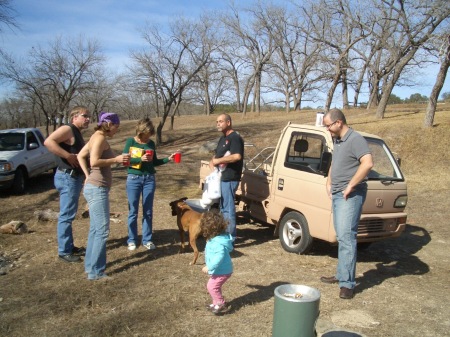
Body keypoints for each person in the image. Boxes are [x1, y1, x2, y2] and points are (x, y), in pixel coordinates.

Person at [320, 108, 374, 299]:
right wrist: (329, 180)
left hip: (350, 195)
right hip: (337, 192)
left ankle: (347, 284)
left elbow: (367, 163)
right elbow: (336, 161)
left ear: (339, 123)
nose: (327, 129)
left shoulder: (355, 139)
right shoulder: (338, 140)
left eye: (328, 125)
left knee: (347, 237)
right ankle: (342, 274)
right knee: (341, 236)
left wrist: (351, 185)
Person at [77, 112, 128, 281]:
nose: (116, 131)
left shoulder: (96, 136)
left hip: (95, 186)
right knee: (102, 231)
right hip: (97, 188)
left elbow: (80, 156)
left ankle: (90, 267)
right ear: (109, 124)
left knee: (95, 229)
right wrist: (116, 159)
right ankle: (96, 272)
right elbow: (94, 161)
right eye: (116, 127)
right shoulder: (99, 138)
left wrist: (86, 176)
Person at [44, 106, 91, 263]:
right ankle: (64, 251)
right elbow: (48, 142)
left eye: (89, 116)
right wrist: (67, 156)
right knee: (66, 215)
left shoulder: (76, 132)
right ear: (74, 117)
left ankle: (69, 246)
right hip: (67, 177)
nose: (88, 119)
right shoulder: (67, 128)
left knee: (69, 214)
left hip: (73, 178)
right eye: (84, 116)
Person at [122, 118, 175, 251]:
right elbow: (124, 161)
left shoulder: (151, 143)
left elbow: (155, 162)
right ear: (141, 131)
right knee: (133, 211)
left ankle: (147, 239)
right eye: (148, 133)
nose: (149, 136)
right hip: (134, 178)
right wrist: (139, 158)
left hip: (149, 179)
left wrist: (168, 159)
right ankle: (132, 240)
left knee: (148, 211)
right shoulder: (131, 141)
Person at [209, 114, 244, 240]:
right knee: (223, 208)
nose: (218, 124)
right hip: (220, 178)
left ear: (228, 122)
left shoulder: (235, 138)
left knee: (228, 209)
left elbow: (236, 156)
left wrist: (218, 161)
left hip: (230, 178)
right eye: (217, 121)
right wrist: (213, 163)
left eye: (220, 121)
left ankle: (230, 238)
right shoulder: (222, 139)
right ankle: (225, 234)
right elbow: (216, 156)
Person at [201, 210, 234, 315]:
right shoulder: (216, 238)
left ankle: (220, 304)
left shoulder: (218, 242)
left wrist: (209, 266)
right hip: (221, 270)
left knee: (212, 286)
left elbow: (219, 257)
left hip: (222, 271)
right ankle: (215, 303)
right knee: (214, 286)